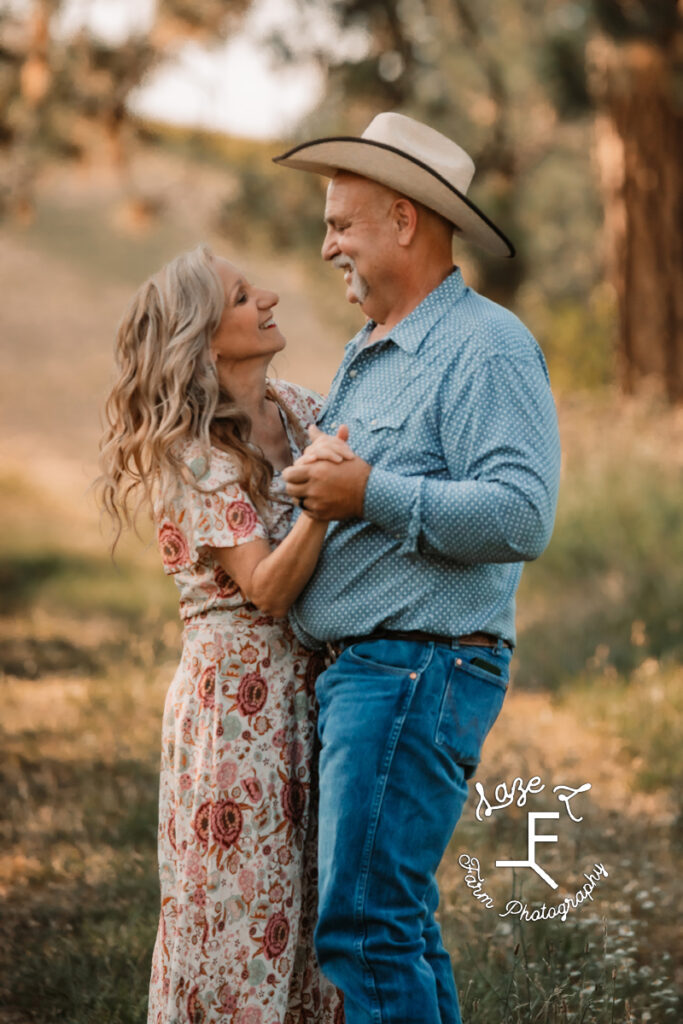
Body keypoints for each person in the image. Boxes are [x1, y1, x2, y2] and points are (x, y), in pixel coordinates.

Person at [273, 112, 562, 1023]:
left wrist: (370, 495)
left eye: (339, 224)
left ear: (403, 220)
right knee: (390, 924)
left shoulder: (487, 345)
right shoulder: (368, 352)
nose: (326, 248)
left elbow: (522, 514)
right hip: (374, 673)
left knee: (363, 929)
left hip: (416, 667)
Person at [97, 244, 346, 1024]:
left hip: (313, 695)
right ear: (204, 338)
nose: (268, 296)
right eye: (244, 296)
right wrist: (322, 502)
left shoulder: (303, 411)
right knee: (240, 914)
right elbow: (267, 589)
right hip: (232, 717)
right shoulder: (191, 458)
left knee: (309, 911)